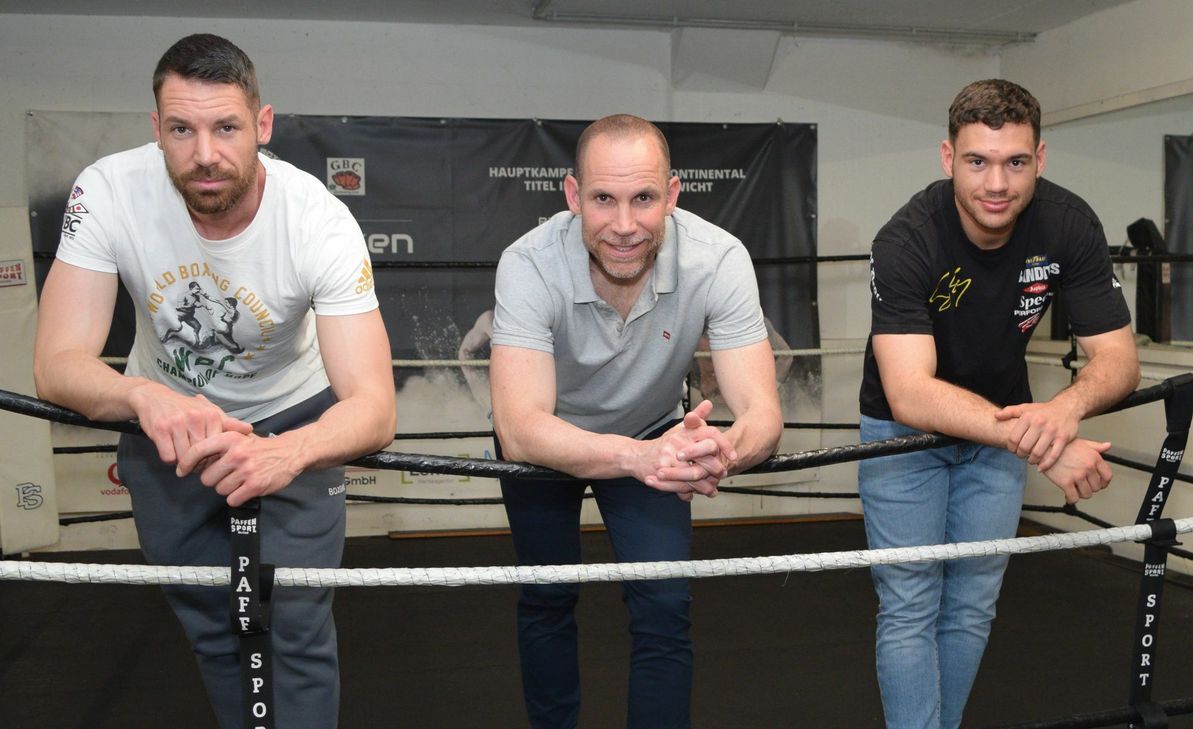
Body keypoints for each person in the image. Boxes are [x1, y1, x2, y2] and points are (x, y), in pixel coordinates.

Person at [33, 34, 395, 729]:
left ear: (262, 125)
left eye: (226, 127)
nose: (205, 153)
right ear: (156, 130)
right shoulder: (106, 190)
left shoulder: (317, 219)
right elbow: (56, 363)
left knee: (295, 624)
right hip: (164, 421)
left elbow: (374, 406)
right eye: (182, 129)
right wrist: (143, 396)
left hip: (293, 419)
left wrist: (285, 451)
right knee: (210, 624)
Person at [858, 79, 1140, 729]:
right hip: (905, 435)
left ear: (1038, 158)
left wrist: (1061, 414)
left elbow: (1117, 358)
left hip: (1006, 424)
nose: (996, 183)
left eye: (1014, 162)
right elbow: (910, 390)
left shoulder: (1066, 222)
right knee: (909, 603)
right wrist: (1042, 441)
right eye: (976, 161)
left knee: (970, 606)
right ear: (946, 157)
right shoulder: (906, 239)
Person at [489, 114, 783, 729]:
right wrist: (640, 459)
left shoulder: (719, 258)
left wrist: (717, 451)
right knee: (547, 598)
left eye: (644, 198)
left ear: (672, 195)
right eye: (603, 199)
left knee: (664, 607)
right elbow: (520, 428)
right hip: (549, 442)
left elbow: (761, 414)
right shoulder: (528, 263)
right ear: (573, 197)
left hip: (657, 434)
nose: (624, 226)